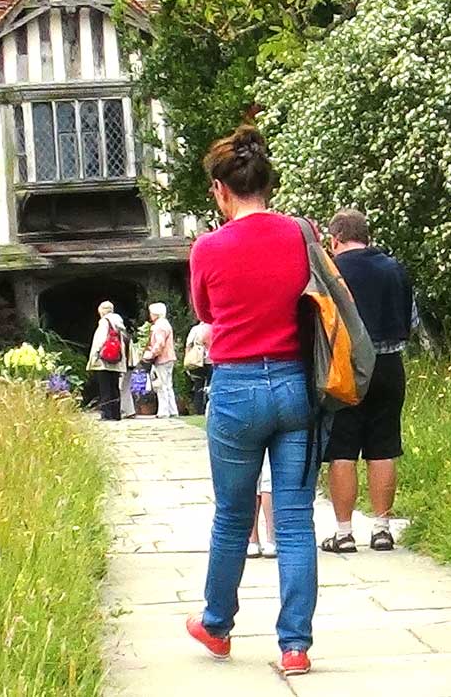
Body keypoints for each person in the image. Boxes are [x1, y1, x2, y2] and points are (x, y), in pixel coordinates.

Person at [180, 126, 317, 677]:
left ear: (220, 190)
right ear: (267, 184)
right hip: (293, 385)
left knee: (232, 516)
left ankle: (217, 626)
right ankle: (295, 645)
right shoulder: (301, 235)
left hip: (235, 387)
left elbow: (208, 314)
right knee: (295, 521)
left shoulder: (208, 248)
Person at [319, 208, 415, 554]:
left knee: (342, 448)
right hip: (390, 364)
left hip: (348, 368)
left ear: (335, 239)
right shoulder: (395, 268)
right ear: (367, 236)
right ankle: (382, 528)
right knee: (384, 446)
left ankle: (344, 533)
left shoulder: (332, 272)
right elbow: (410, 319)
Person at [86, 301, 128, 422]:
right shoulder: (119, 323)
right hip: (117, 359)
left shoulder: (104, 322)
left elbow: (100, 340)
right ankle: (116, 413)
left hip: (104, 360)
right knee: (114, 386)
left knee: (105, 387)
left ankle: (107, 414)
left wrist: (94, 356)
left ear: (102, 311)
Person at [139, 303, 179, 418]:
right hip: (169, 357)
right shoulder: (166, 324)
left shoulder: (159, 326)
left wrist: (151, 354)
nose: (150, 315)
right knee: (168, 384)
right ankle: (172, 410)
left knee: (160, 385)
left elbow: (159, 343)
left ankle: (163, 411)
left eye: (151, 313)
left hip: (162, 359)